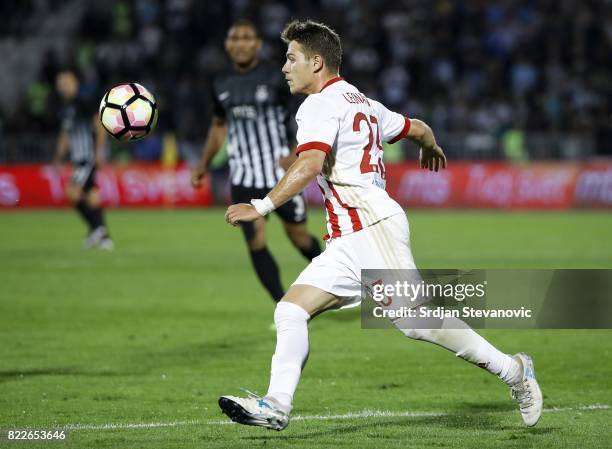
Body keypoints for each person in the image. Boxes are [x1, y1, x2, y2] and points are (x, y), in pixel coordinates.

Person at [218, 20, 543, 430]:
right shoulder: (365, 103)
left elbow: (310, 164)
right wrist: (431, 146)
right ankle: (276, 405)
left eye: (292, 58)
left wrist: (261, 206)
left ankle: (515, 371)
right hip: (346, 239)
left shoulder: (318, 105)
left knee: (417, 323)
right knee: (290, 311)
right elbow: (419, 128)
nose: (284, 67)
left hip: (371, 226)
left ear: (316, 62)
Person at [191, 19, 321, 302]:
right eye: (234, 37)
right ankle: (283, 304)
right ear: (227, 45)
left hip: (280, 174)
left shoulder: (278, 77)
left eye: (247, 37)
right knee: (256, 241)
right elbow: (218, 126)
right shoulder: (220, 82)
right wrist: (203, 164)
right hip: (243, 177)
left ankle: (334, 279)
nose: (240, 43)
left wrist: (298, 150)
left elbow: (308, 111)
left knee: (298, 237)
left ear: (257, 44)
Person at [53, 68, 113, 249]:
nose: (63, 87)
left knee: (72, 192)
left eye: (67, 83)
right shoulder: (65, 109)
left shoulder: (84, 103)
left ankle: (98, 230)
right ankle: (103, 237)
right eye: (60, 84)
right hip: (78, 159)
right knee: (92, 197)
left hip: (87, 158)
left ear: (75, 83)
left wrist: (98, 152)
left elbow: (101, 125)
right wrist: (58, 157)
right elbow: (65, 134)